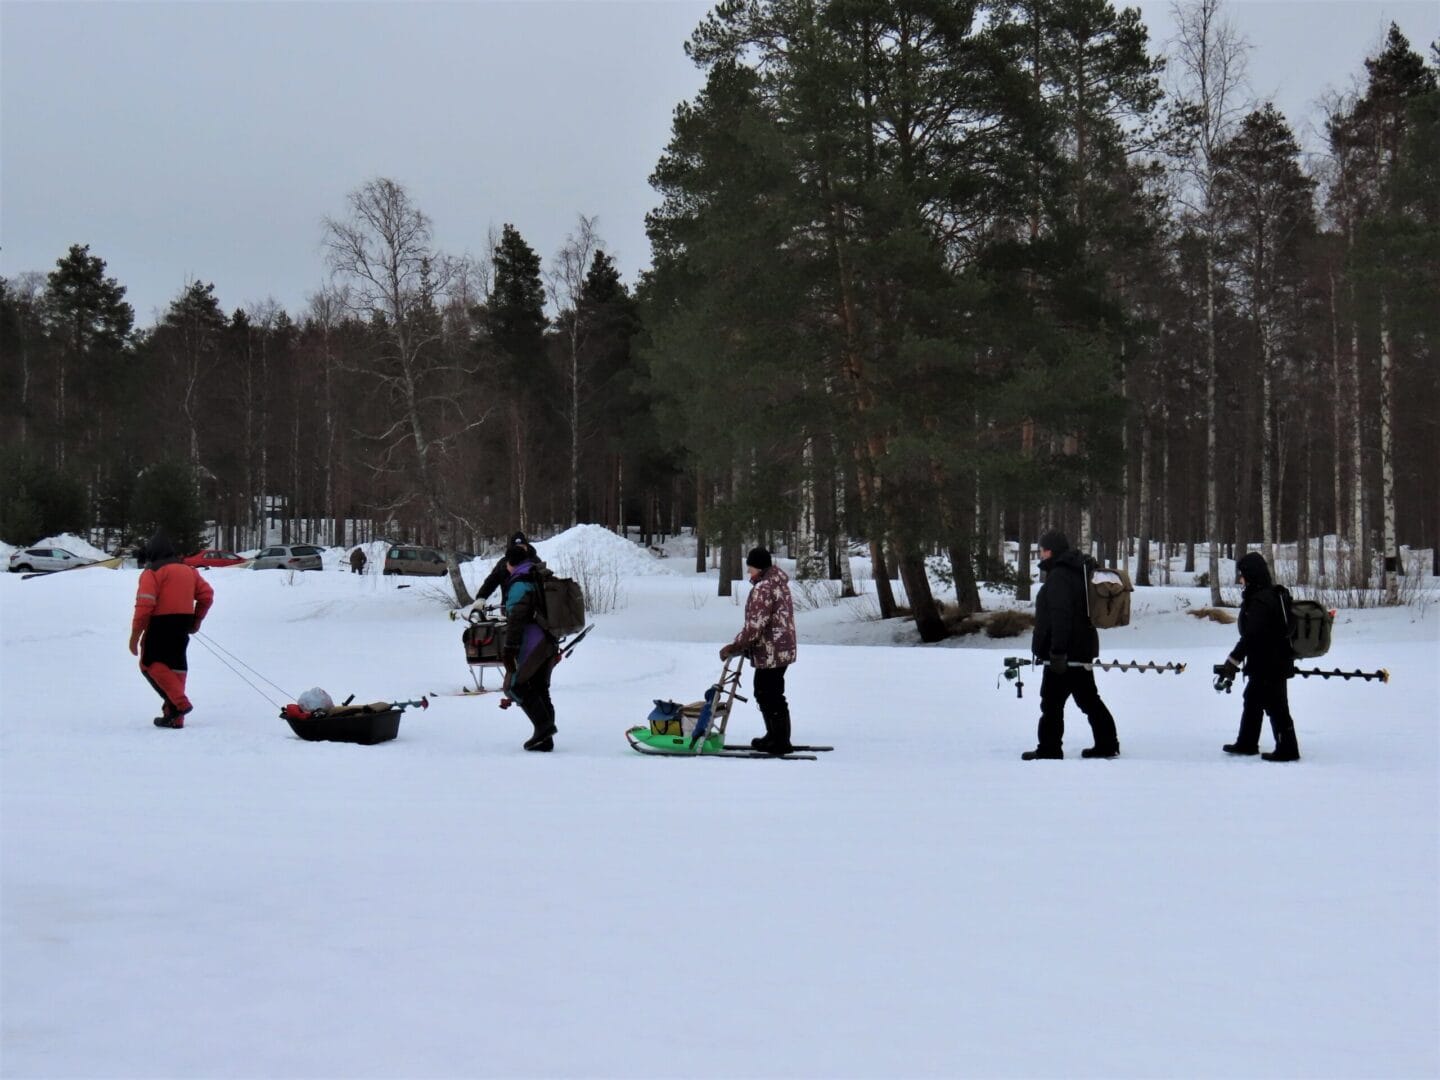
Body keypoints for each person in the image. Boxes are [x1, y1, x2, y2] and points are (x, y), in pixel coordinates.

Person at [1023, 529, 1120, 760]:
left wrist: (1057, 651)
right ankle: (1107, 743)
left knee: (1051, 702)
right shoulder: (1079, 571)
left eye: (1042, 550)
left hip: (1064, 653)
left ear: (1050, 550)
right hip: (1081, 648)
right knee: (1088, 699)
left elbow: (1060, 615)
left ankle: (1049, 749)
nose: (1041, 554)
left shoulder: (1059, 576)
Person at [1217, 551, 1301, 762]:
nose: (1240, 579)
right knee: (1253, 699)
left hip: (1268, 663)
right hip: (1272, 661)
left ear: (1251, 574)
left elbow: (1252, 636)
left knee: (1276, 705)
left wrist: (1233, 660)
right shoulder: (1270, 595)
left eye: (1242, 574)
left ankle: (1288, 748)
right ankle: (1247, 742)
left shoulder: (1261, 600)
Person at [129, 531, 215, 729]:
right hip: (182, 624)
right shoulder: (189, 571)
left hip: (160, 624)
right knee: (176, 667)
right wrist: (196, 621)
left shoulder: (152, 573)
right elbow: (207, 596)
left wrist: (135, 636)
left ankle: (180, 703)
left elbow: (144, 605)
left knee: (150, 663)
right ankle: (175, 717)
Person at [719, 547, 797, 755]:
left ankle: (780, 740)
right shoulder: (778, 583)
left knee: (767, 692)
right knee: (769, 691)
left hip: (772, 650)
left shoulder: (764, 587)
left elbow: (755, 625)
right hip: (780, 648)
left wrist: (736, 646)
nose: (748, 573)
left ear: (759, 567)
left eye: (750, 568)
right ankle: (775, 736)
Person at [500, 543, 559, 752]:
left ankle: (544, 728)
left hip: (533, 641)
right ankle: (545, 740)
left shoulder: (520, 582)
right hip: (550, 639)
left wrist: (510, 648)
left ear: (511, 563)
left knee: (515, 686)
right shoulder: (537, 574)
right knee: (539, 687)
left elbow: (516, 618)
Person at [475, 530, 539, 608]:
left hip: (533, 609)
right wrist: (481, 597)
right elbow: (491, 581)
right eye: (517, 547)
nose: (520, 550)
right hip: (509, 608)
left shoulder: (535, 561)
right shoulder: (503, 564)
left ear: (527, 546)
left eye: (522, 547)